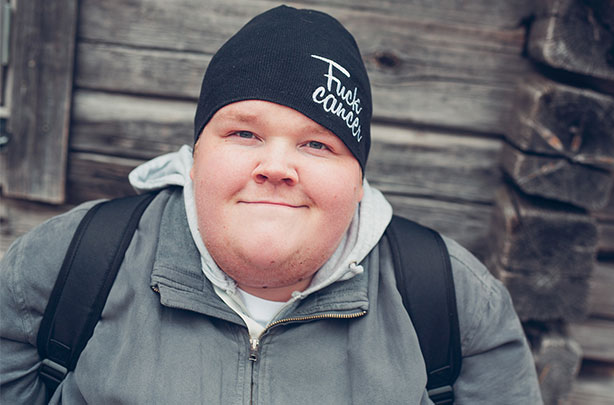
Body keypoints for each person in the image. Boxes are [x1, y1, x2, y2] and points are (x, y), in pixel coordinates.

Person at [0, 5, 541, 404]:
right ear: (194, 158)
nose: (277, 166)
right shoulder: (66, 263)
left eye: (318, 144)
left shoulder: (454, 301)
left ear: (359, 181)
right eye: (244, 133)